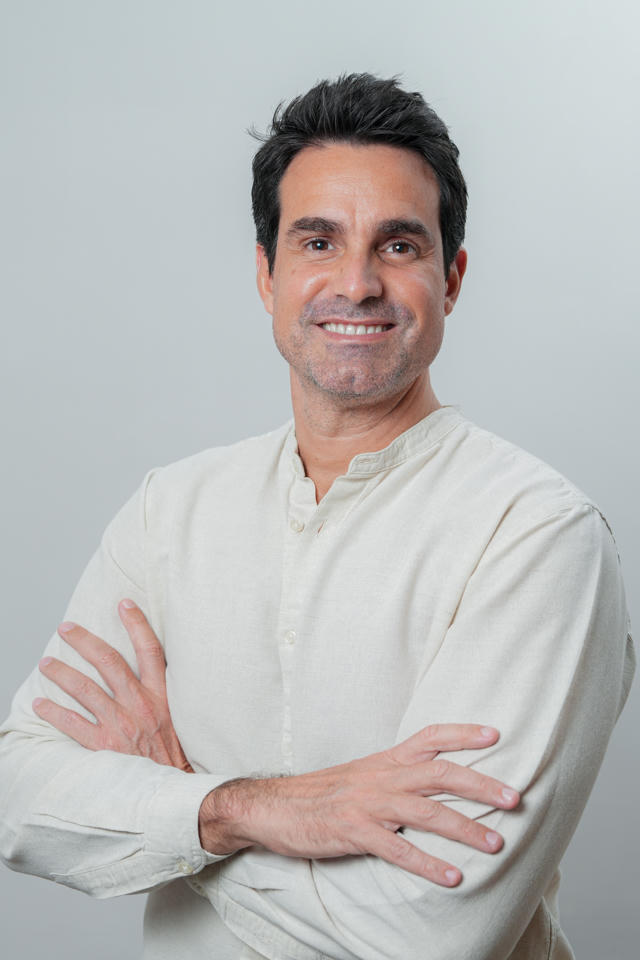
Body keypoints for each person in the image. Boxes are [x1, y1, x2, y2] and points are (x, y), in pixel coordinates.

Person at [0, 73, 634, 960]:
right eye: (318, 240)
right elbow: (20, 796)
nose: (357, 283)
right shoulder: (169, 511)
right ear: (268, 274)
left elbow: (427, 931)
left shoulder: (534, 535)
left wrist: (173, 807)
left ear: (451, 278)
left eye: (400, 244)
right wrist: (243, 808)